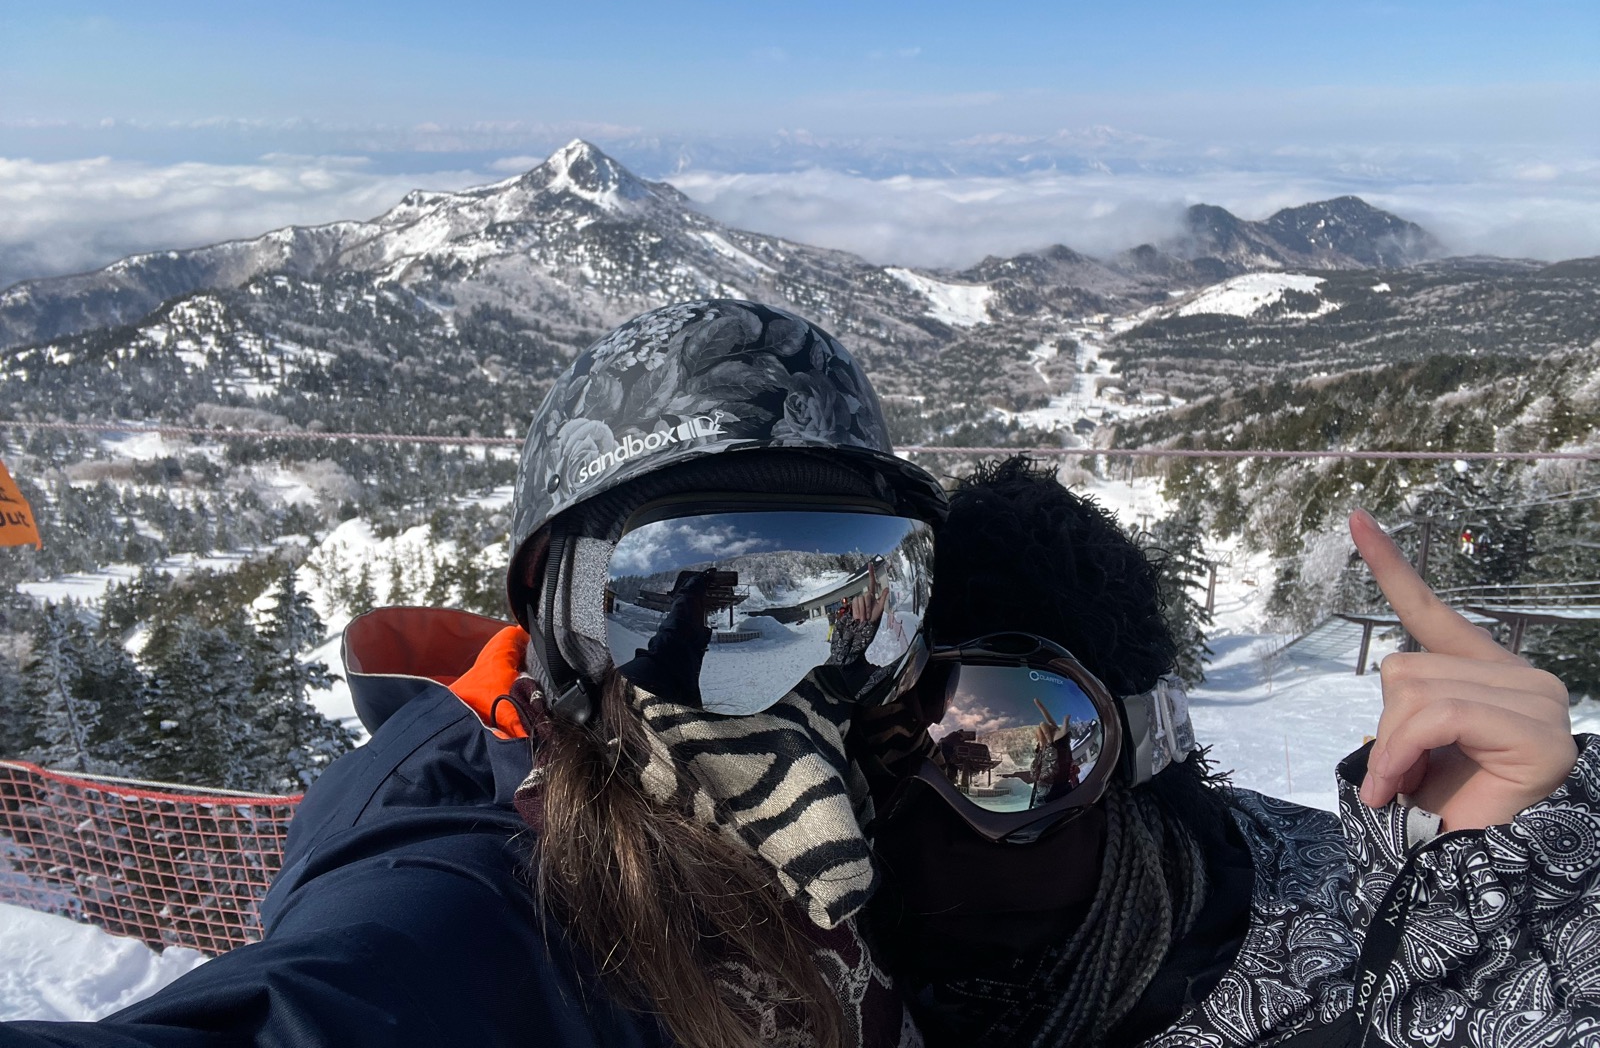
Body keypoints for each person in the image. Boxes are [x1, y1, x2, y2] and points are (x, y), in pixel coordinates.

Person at [0, 303, 1591, 1048]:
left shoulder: (1251, 909)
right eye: (673, 591)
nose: (789, 689)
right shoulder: (518, 893)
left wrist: (1533, 861)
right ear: (556, 633)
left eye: (858, 597)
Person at [863, 457, 1596, 1048]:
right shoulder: (805, 954)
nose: (922, 825)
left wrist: (1507, 932)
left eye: (1007, 747)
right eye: (868, 750)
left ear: (1141, 751)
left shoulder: (1351, 935)